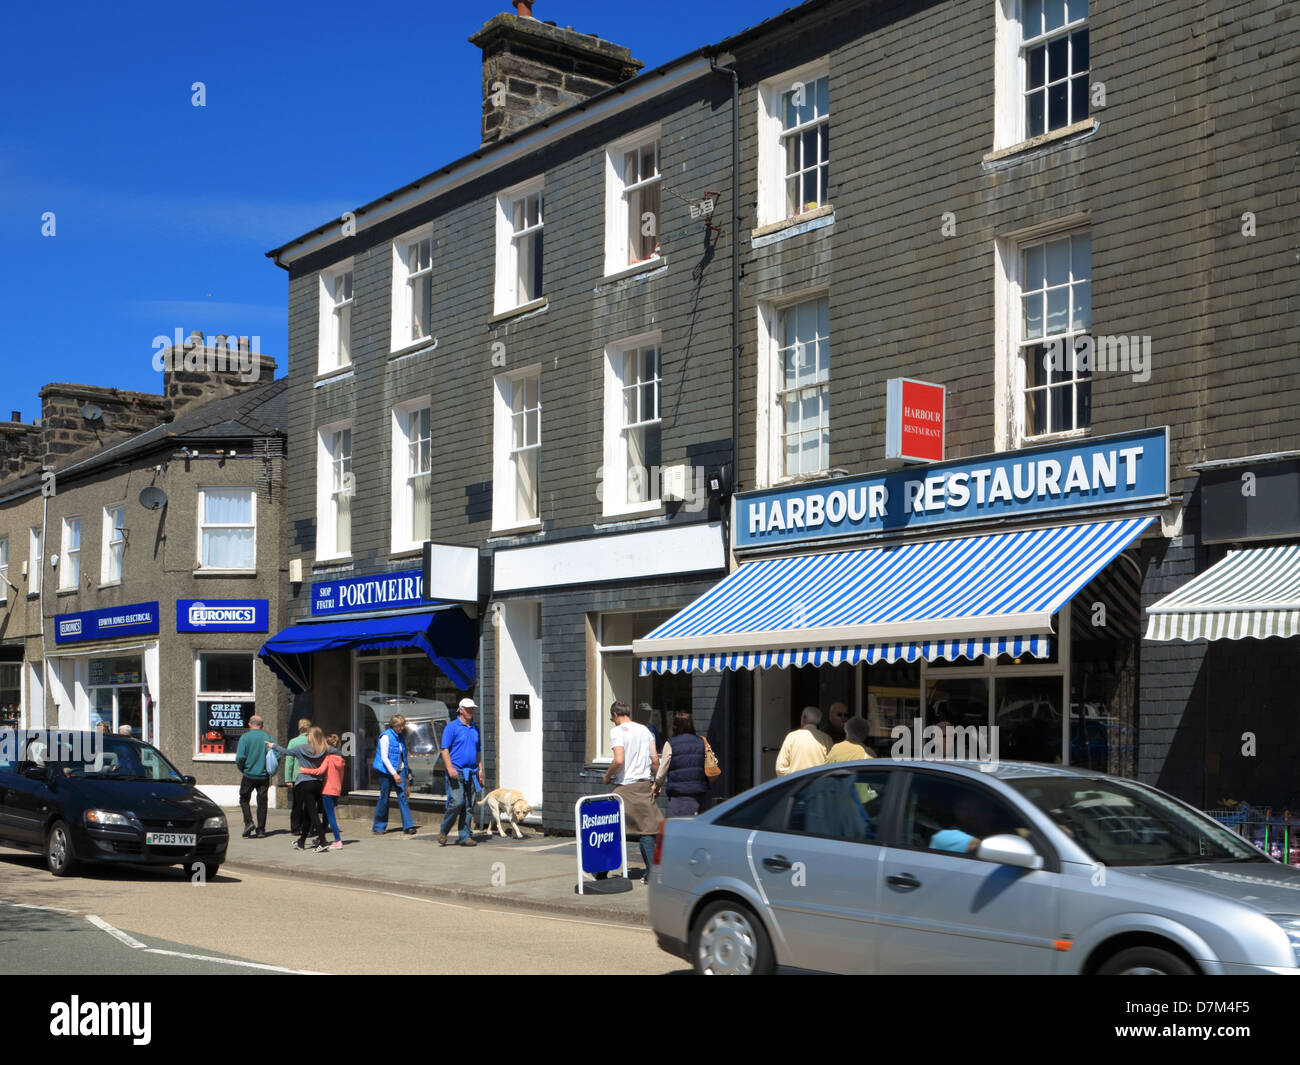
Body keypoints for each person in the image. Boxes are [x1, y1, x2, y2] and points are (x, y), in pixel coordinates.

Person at [602, 700, 663, 883]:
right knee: (647, 829)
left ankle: (601, 871)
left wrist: (607, 776)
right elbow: (654, 761)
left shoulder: (617, 731)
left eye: (612, 718)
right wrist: (657, 783)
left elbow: (619, 760)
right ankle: (651, 873)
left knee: (609, 828)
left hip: (625, 787)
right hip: (644, 784)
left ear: (615, 715)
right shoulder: (645, 730)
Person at [267, 728, 340, 853]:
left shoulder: (301, 748)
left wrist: (273, 746)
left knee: (312, 814)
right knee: (307, 813)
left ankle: (322, 841)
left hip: (304, 784)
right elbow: (338, 752)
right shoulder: (325, 749)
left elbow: (285, 752)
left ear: (309, 737)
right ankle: (301, 841)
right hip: (318, 784)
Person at [439, 698, 483, 847]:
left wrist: (480, 768)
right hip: (456, 770)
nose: (472, 711)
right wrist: (449, 768)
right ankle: (444, 830)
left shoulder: (475, 728)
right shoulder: (451, 727)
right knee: (457, 802)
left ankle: (465, 836)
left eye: (473, 709)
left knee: (468, 805)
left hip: (471, 772)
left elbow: (478, 751)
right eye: (469, 709)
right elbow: (444, 750)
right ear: (461, 710)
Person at [653, 711, 709, 817]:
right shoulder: (701, 742)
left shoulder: (670, 743)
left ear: (675, 726)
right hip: (699, 792)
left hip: (678, 793)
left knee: (677, 825)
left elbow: (662, 770)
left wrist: (657, 785)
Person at [372, 714, 416, 836]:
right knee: (384, 798)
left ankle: (408, 826)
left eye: (403, 725)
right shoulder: (385, 737)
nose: (401, 728)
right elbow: (385, 758)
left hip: (399, 770)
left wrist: (405, 773)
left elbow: (403, 757)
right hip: (385, 771)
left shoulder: (401, 737)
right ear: (394, 725)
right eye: (399, 726)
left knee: (402, 796)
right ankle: (379, 826)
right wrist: (394, 774)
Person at [234, 714, 273, 837]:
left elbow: (240, 757)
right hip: (263, 776)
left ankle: (249, 822)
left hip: (249, 775)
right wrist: (269, 770)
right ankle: (261, 830)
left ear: (250, 724)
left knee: (244, 799)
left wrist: (243, 768)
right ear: (261, 725)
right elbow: (275, 755)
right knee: (262, 802)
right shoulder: (268, 737)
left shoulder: (245, 738)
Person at [309, 733, 346, 849]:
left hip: (327, 790)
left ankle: (338, 841)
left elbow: (319, 771)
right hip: (336, 790)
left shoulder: (328, 758)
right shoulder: (340, 759)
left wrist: (304, 770)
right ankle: (321, 838)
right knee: (326, 816)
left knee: (330, 817)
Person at [774, 706, 832, 776]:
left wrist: (791, 778)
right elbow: (831, 765)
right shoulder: (826, 739)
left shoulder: (792, 737)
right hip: (819, 783)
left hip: (797, 783)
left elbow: (780, 768)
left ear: (804, 718)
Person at [284, 718, 311, 834]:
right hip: (311, 776)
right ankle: (309, 827)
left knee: (297, 804)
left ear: (299, 728)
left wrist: (288, 778)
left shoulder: (293, 742)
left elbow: (289, 761)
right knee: (309, 804)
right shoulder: (312, 741)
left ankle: (295, 828)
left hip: (297, 777)